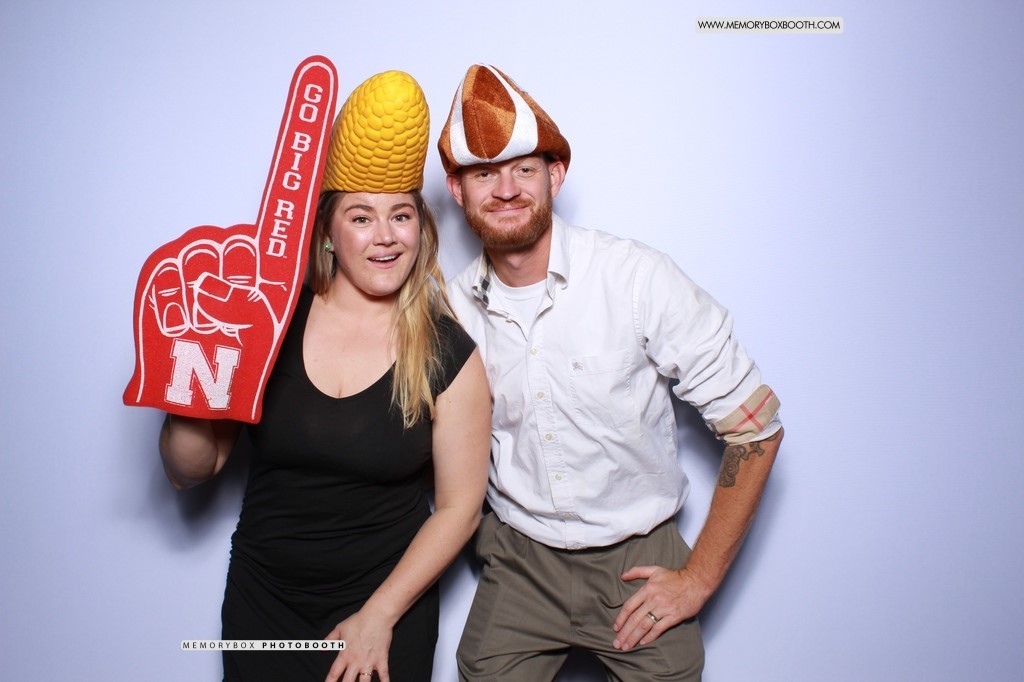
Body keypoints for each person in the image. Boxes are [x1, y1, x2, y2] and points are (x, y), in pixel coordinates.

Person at [437, 64, 785, 681]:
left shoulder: (636, 279)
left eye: (524, 169)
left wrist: (698, 580)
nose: (507, 189)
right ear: (457, 191)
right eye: (484, 173)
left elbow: (756, 430)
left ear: (555, 175)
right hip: (520, 561)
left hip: (638, 559)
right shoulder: (452, 311)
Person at [159, 70, 491, 682]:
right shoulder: (266, 324)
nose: (386, 237)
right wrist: (185, 378)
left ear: (421, 228)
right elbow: (190, 471)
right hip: (263, 603)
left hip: (385, 611)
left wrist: (378, 617)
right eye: (361, 218)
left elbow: (460, 508)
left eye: (401, 216)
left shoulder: (449, 353)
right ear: (329, 233)